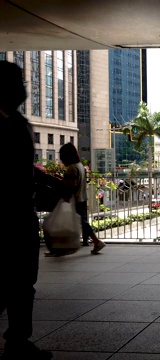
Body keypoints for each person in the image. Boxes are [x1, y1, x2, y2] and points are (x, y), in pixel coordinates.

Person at [0, 60, 53, 359]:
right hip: (6, 217)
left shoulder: (19, 123)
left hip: (21, 216)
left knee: (23, 282)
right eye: (18, 82)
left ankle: (18, 340)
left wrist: (42, 179)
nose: (24, 89)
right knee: (13, 282)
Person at [58, 142, 106, 254]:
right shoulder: (80, 166)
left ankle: (96, 241)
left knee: (79, 222)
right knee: (81, 221)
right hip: (82, 198)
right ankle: (94, 241)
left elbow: (70, 185)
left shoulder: (72, 168)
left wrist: (61, 183)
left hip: (74, 199)